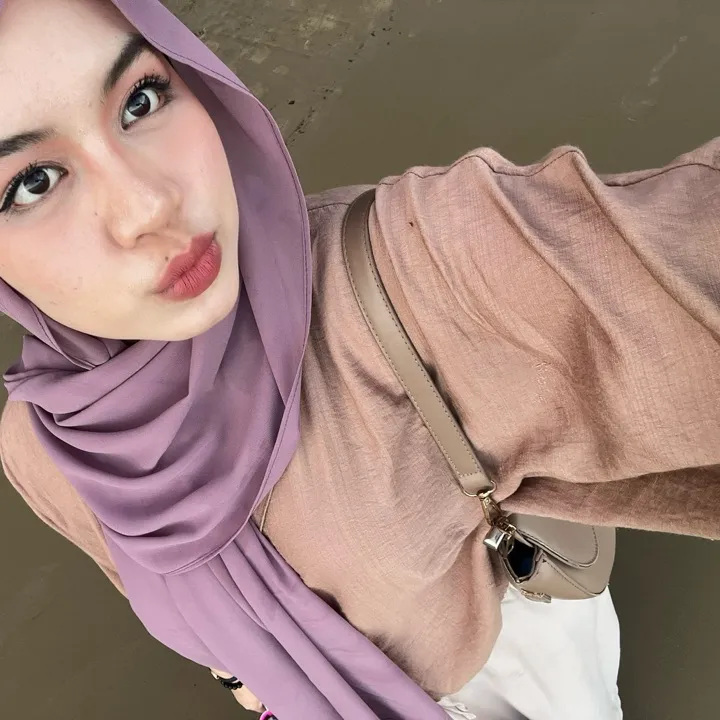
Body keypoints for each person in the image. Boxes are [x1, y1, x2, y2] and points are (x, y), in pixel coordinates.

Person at [0, 0, 718, 718]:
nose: (149, 207)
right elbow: (143, 577)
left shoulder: (415, 276)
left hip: (523, 669)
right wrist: (246, 672)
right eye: (31, 183)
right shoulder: (42, 441)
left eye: (141, 99)